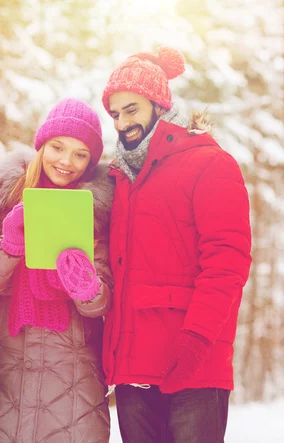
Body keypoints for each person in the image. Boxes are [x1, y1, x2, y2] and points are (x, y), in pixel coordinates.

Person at [101, 46, 252, 443]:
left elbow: (228, 262)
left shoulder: (210, 164)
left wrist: (197, 340)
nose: (122, 122)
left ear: (158, 104)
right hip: (133, 372)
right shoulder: (119, 178)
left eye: (131, 109)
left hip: (194, 368)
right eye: (115, 114)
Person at [0, 98, 115, 443]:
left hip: (73, 376)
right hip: (9, 368)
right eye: (58, 147)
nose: (66, 161)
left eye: (80, 154)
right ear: (41, 146)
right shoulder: (5, 199)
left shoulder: (96, 212)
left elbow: (103, 300)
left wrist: (87, 286)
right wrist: (10, 245)